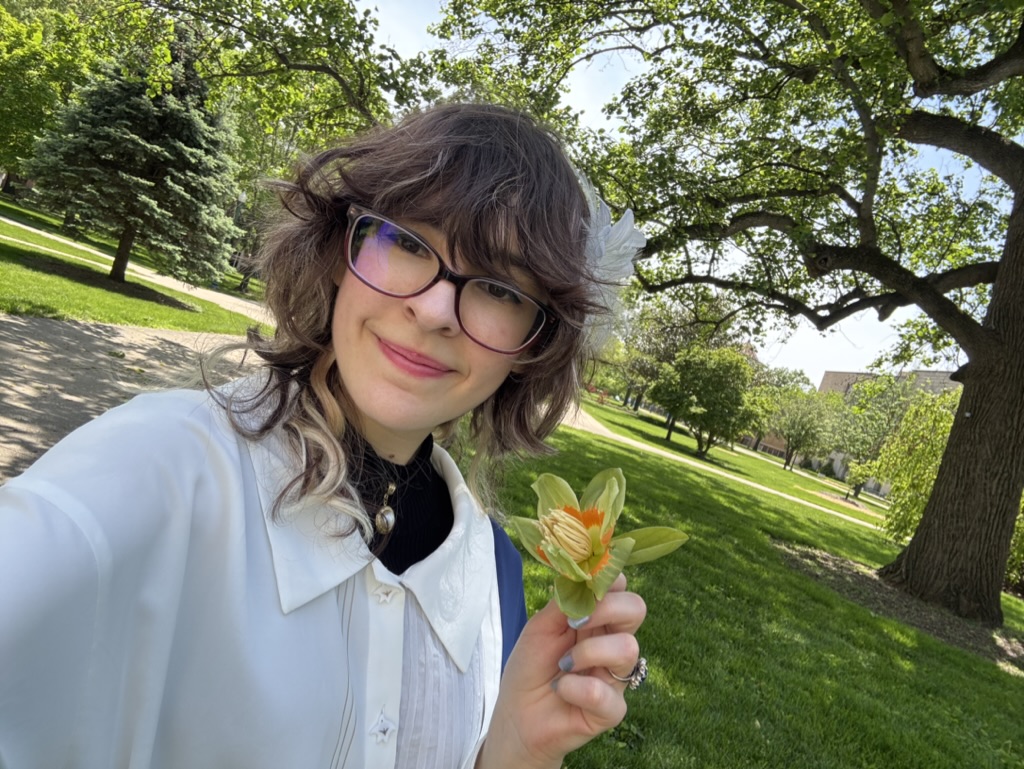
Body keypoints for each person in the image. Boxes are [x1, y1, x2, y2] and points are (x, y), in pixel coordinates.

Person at [0, 103, 648, 769]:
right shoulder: (156, 469)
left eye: (500, 288)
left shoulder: (493, 573)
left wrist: (513, 748)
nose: (433, 310)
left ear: (532, 344)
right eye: (407, 240)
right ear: (343, 249)